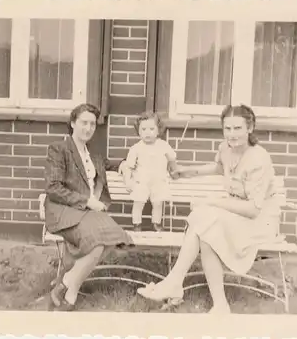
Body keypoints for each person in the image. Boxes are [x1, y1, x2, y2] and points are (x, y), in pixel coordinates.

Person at [136, 104, 283, 314]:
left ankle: (175, 283)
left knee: (205, 219)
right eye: (227, 128)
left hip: (259, 221)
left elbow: (253, 210)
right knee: (205, 228)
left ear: (250, 128)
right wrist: (187, 171)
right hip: (233, 214)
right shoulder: (225, 148)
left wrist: (212, 202)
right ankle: (218, 304)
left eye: (237, 128)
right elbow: (219, 167)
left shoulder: (259, 158)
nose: (232, 134)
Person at [43, 103, 134, 311]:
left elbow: (111, 164)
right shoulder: (59, 149)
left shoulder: (93, 155)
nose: (88, 128)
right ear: (73, 123)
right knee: (99, 241)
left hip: (87, 212)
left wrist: (123, 165)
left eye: (92, 124)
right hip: (64, 210)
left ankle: (68, 283)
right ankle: (71, 292)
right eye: (84, 123)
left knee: (113, 235)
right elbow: (53, 188)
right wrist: (87, 201)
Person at [123, 111, 179, 232]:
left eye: (151, 129)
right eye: (143, 129)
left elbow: (172, 160)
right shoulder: (136, 148)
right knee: (138, 203)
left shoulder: (163, 146)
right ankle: (136, 224)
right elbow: (129, 166)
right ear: (138, 131)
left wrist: (174, 171)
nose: (147, 132)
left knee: (158, 203)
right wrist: (128, 181)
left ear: (158, 130)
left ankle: (156, 223)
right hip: (141, 181)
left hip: (158, 181)